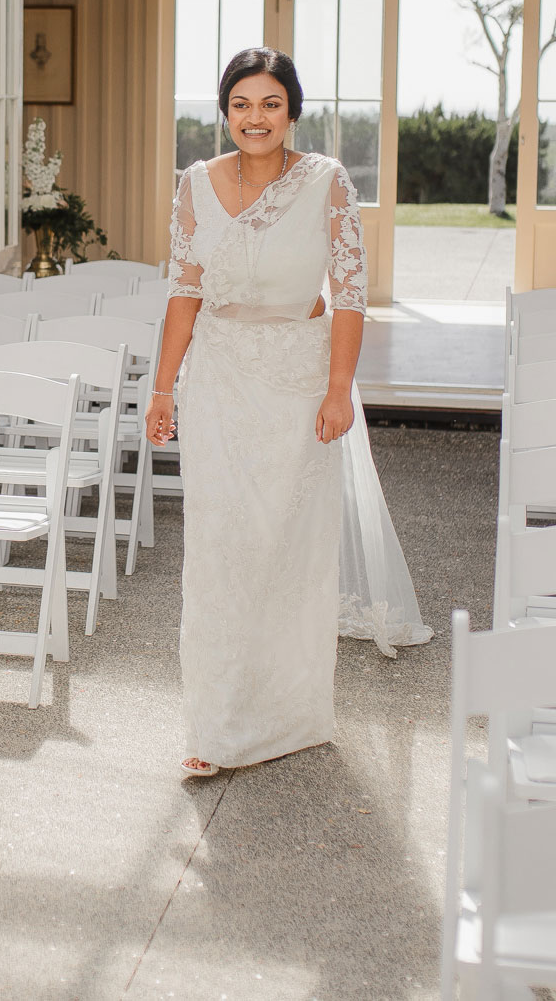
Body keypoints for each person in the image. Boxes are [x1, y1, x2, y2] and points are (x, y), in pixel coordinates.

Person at [144, 47, 431, 779]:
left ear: (292, 110)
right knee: (218, 549)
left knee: (287, 548)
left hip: (299, 383)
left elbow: (351, 291)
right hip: (219, 378)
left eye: (270, 103)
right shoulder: (194, 184)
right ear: (225, 111)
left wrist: (339, 387)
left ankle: (288, 714)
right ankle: (214, 724)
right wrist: (162, 386)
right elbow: (184, 291)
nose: (255, 117)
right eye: (242, 103)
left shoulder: (326, 182)